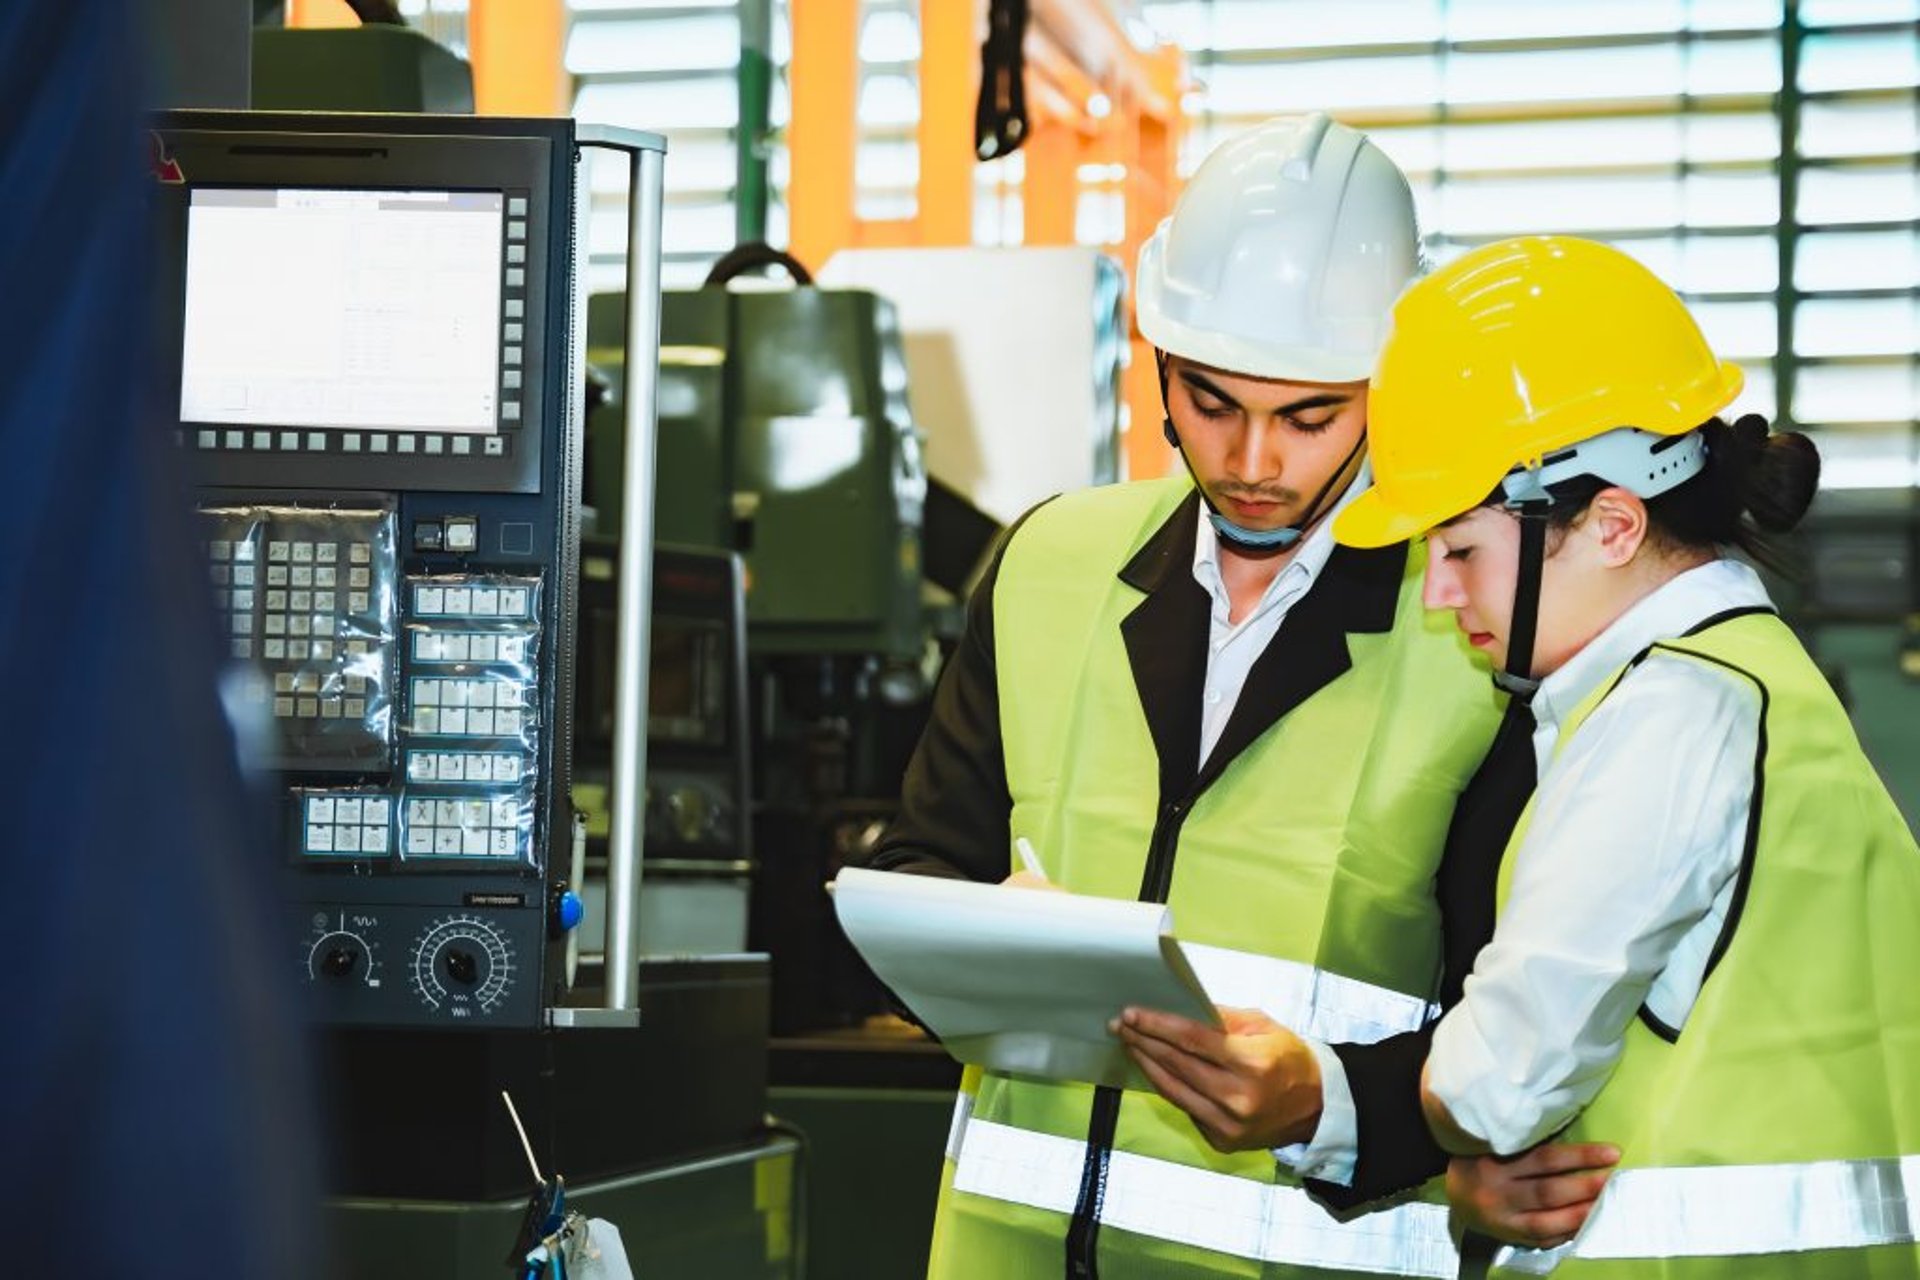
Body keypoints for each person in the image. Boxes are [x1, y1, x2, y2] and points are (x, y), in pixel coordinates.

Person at [868, 113, 1571, 1279]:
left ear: (1388, 392)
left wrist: (1345, 1105)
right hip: (1011, 1251)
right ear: (1157, 365)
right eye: (1211, 401)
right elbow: (915, 865)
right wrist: (984, 934)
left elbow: (1530, 1007)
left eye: (1309, 416)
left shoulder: (1472, 619)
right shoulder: (1047, 563)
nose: (1251, 457)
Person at [1331, 234, 1920, 1276]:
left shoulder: (1672, 708)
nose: (1437, 591)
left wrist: (1347, 1101)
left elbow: (1493, 1081)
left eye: (1460, 547)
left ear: (1610, 524)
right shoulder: (1733, 679)